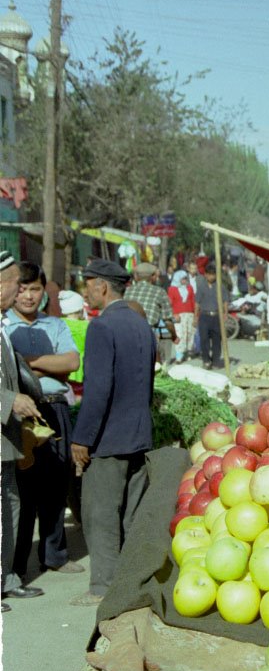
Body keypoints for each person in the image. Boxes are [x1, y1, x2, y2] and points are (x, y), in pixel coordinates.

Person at [70, 259, 157, 606]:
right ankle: (129, 581)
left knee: (100, 513)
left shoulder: (102, 327)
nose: (86, 292)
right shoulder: (141, 325)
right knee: (130, 514)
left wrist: (82, 437)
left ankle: (103, 588)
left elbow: (98, 389)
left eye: (88, 285)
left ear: (102, 287)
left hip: (108, 438)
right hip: (138, 433)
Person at [6, 262, 82, 580]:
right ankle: (16, 565)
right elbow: (10, 370)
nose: (28, 296)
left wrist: (30, 363)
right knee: (22, 490)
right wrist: (51, 366)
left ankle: (55, 555)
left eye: (34, 289)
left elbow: (72, 362)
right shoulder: (4, 326)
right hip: (20, 414)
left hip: (55, 410)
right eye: (21, 288)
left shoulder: (56, 326)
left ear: (43, 291)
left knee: (55, 484)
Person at [0, 250, 44, 609]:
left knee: (11, 506)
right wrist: (9, 400)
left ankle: (8, 578)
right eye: (16, 284)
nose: (20, 292)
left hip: (7, 439)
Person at [124, 261, 177, 363]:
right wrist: (174, 336)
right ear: (153, 277)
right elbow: (168, 321)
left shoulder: (126, 291)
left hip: (125, 336)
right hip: (147, 337)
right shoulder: (159, 292)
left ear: (136, 276)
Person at [58, 289, 88, 399]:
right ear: (80, 309)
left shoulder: (59, 323)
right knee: (80, 393)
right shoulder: (86, 326)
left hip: (63, 362)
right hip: (82, 364)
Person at [194, 261, 224, 369]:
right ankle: (206, 360)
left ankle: (216, 360)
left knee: (217, 339)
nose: (211, 276)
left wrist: (224, 314)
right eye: (209, 274)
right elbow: (197, 302)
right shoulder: (201, 287)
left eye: (213, 274)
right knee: (204, 339)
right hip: (204, 316)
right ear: (205, 275)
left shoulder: (220, 286)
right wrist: (195, 317)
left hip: (216, 316)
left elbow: (225, 301)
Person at [168, 269, 195, 363]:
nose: (184, 281)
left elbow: (193, 301)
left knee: (189, 333)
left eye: (185, 279)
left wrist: (195, 315)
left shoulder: (189, 288)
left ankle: (187, 352)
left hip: (190, 314)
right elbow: (170, 303)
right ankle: (179, 354)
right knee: (179, 334)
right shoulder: (172, 289)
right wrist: (173, 314)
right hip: (178, 315)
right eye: (182, 279)